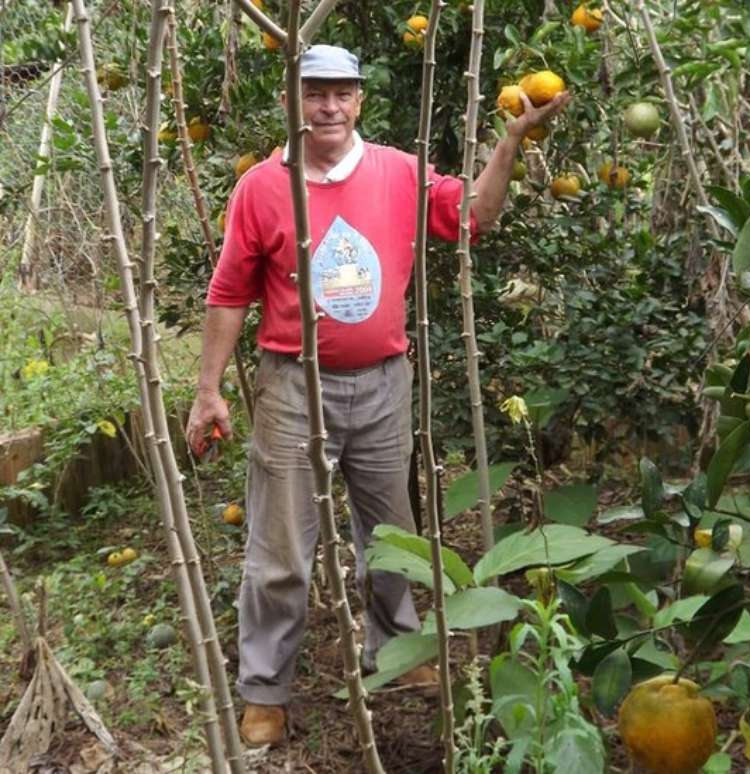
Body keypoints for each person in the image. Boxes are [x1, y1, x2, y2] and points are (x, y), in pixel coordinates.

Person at [185, 44, 569, 747]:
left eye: (341, 92)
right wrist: (208, 388)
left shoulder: (399, 171)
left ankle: (394, 652)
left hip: (386, 384)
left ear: (359, 100)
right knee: (279, 548)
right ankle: (265, 688)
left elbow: (475, 217)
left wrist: (511, 142)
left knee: (391, 534)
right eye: (314, 93)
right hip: (290, 388)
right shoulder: (263, 188)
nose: (328, 106)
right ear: (290, 102)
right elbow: (230, 292)